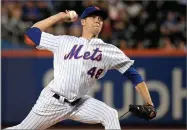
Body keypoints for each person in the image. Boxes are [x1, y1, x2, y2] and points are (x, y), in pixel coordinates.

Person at [5, 6, 155, 130]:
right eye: (93, 17)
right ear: (83, 21)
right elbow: (31, 34)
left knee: (110, 114)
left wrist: (149, 103)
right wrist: (60, 16)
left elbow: (134, 75)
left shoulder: (109, 50)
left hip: (79, 103)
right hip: (53, 101)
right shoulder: (64, 41)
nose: (98, 20)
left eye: (101, 18)